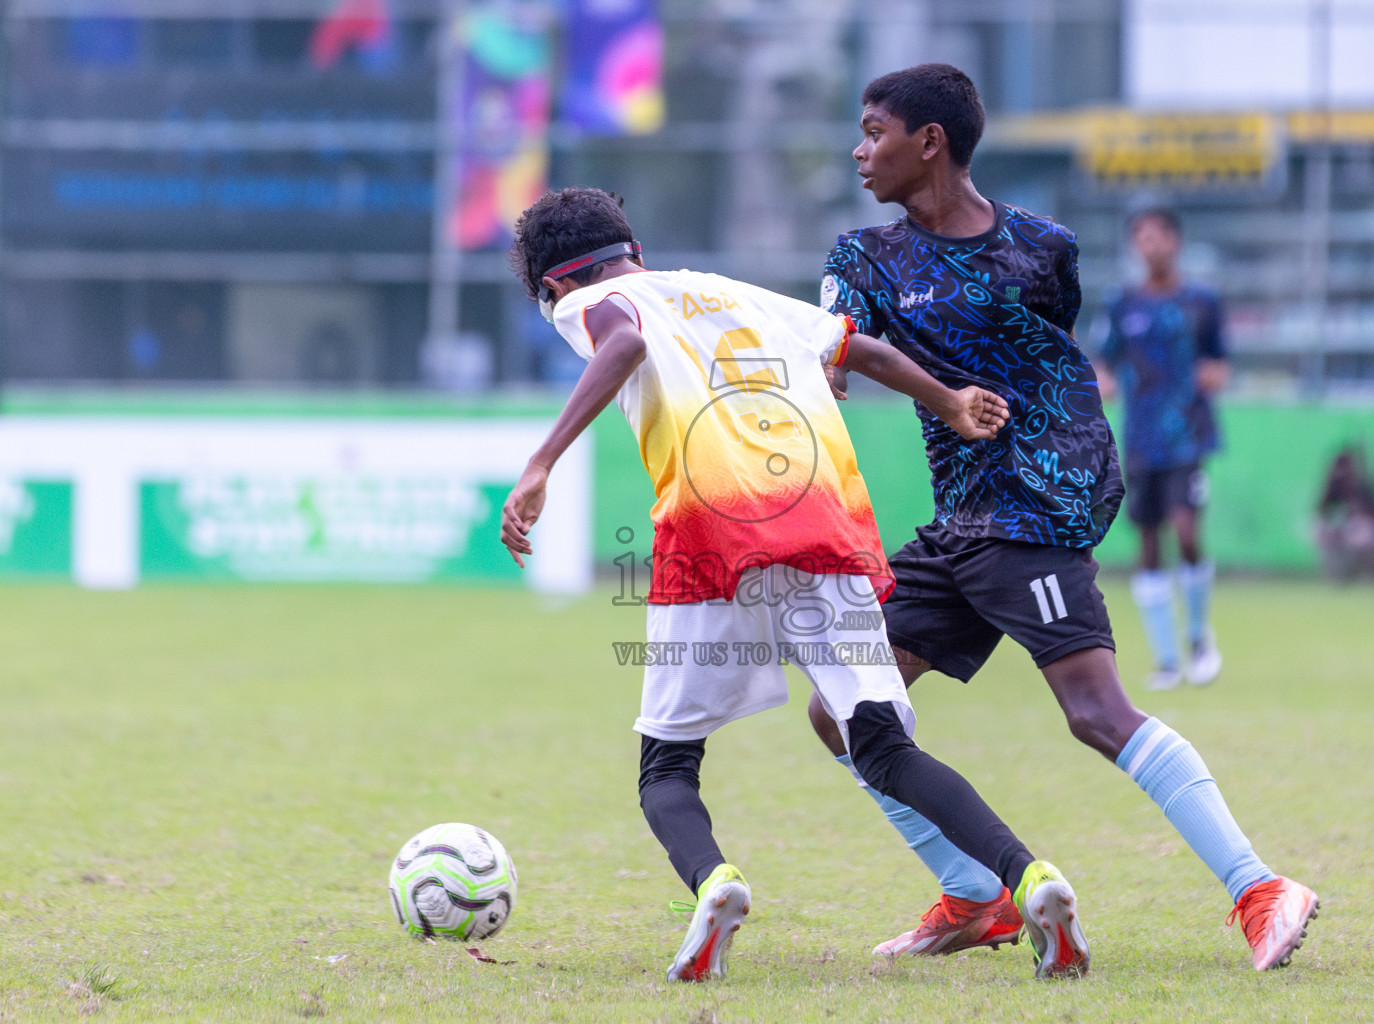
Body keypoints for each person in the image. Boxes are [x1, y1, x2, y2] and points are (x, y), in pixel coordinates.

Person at [500, 186, 1091, 983]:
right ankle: (1028, 878)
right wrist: (948, 401)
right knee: (882, 746)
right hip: (827, 526)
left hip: (712, 533)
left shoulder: (595, 300)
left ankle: (715, 883)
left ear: (553, 285)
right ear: (630, 244)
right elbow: (860, 351)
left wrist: (539, 462)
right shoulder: (729, 292)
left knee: (666, 766)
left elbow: (621, 345)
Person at [810, 64, 1318, 972]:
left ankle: (1259, 886)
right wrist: (834, 374)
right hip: (959, 523)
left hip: (1034, 511)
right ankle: (974, 896)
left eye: (874, 130)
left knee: (1094, 711)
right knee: (840, 706)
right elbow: (844, 349)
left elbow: (1053, 369)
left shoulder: (1044, 246)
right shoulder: (862, 258)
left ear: (929, 141)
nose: (859, 149)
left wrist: (1061, 473)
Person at [1095, 208, 1229, 690]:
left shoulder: (1202, 301)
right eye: (1141, 238)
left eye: (1158, 236)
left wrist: (1215, 374)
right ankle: (1167, 660)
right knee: (1149, 544)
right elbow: (1105, 362)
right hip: (1141, 438)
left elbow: (1219, 358)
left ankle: (1198, 639)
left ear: (1175, 240)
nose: (1149, 245)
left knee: (1186, 529)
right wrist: (1102, 383)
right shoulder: (1122, 303)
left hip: (1188, 435)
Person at [1315, 447, 1374, 581]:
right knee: (1325, 536)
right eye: (1340, 467)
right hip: (1343, 531)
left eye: (1347, 467)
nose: (1343, 471)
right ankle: (1337, 577)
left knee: (1367, 539)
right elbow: (1323, 512)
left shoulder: (1364, 487)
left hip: (1370, 532)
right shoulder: (1334, 488)